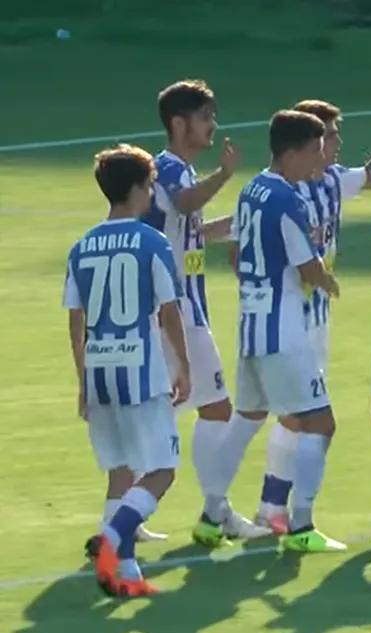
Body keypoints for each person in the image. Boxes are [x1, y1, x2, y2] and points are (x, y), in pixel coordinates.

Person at [254, 99, 371, 534]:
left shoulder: (332, 181)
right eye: (331, 135)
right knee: (304, 417)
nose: (337, 143)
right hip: (289, 320)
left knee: (294, 414)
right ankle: (278, 512)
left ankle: (270, 508)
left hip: (316, 319)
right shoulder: (283, 190)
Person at [144, 79, 270, 547]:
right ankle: (216, 512)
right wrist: (224, 174)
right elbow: (185, 203)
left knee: (174, 409)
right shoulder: (170, 168)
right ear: (179, 124)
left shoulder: (179, 172)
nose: (213, 125)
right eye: (204, 117)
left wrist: (241, 224)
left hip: (179, 310)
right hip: (178, 310)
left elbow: (191, 229)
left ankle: (130, 512)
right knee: (213, 408)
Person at [217, 109, 345, 553]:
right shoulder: (288, 199)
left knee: (246, 419)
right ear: (291, 153)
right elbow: (307, 266)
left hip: (251, 328)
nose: (318, 160)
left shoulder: (251, 189)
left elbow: (237, 252)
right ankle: (302, 525)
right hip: (283, 332)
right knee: (321, 423)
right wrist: (326, 281)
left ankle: (212, 512)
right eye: (314, 151)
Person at [65, 144, 190, 596]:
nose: (152, 193)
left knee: (121, 470)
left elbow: (75, 318)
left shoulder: (82, 247)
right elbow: (169, 311)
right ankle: (112, 539)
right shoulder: (152, 242)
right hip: (139, 368)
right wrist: (183, 366)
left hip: (99, 368)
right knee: (162, 469)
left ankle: (127, 573)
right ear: (138, 188)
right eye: (150, 185)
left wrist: (83, 378)